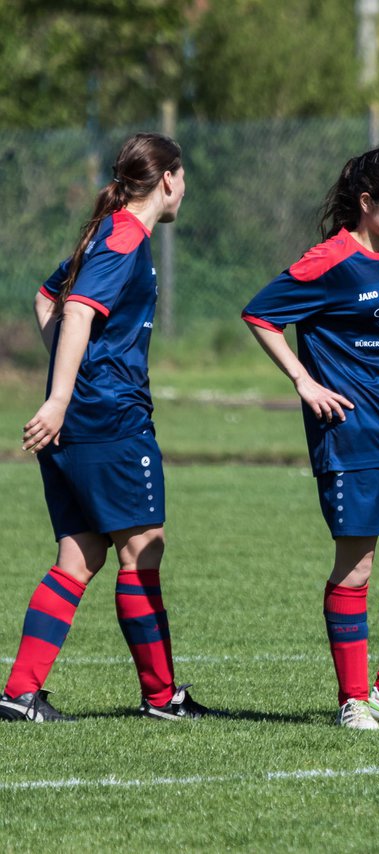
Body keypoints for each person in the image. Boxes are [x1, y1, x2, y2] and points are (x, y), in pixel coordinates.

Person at [1, 132, 216, 723]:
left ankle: (20, 694)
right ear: (168, 178)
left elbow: (46, 299)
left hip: (80, 421)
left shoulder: (107, 232)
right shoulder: (123, 237)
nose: (185, 188)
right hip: (109, 421)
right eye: (184, 176)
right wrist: (64, 396)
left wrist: (65, 387)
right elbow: (72, 310)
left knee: (79, 556)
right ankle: (162, 697)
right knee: (143, 549)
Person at [242, 148, 379, 730]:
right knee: (356, 567)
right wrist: (304, 381)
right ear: (367, 203)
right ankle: (353, 700)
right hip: (353, 432)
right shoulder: (329, 260)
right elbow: (261, 315)